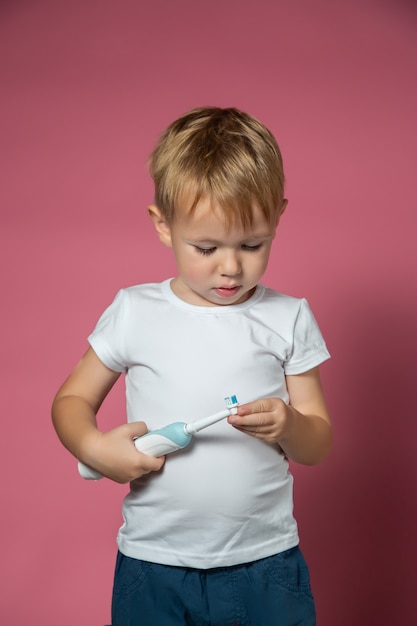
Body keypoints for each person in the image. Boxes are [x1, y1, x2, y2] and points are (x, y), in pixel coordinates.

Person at [52, 106, 332, 626]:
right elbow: (70, 401)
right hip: (154, 566)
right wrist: (93, 448)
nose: (230, 267)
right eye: (206, 247)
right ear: (163, 225)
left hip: (265, 563)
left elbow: (318, 443)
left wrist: (290, 424)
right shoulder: (135, 312)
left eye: (252, 244)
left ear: (278, 217)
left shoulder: (287, 317)